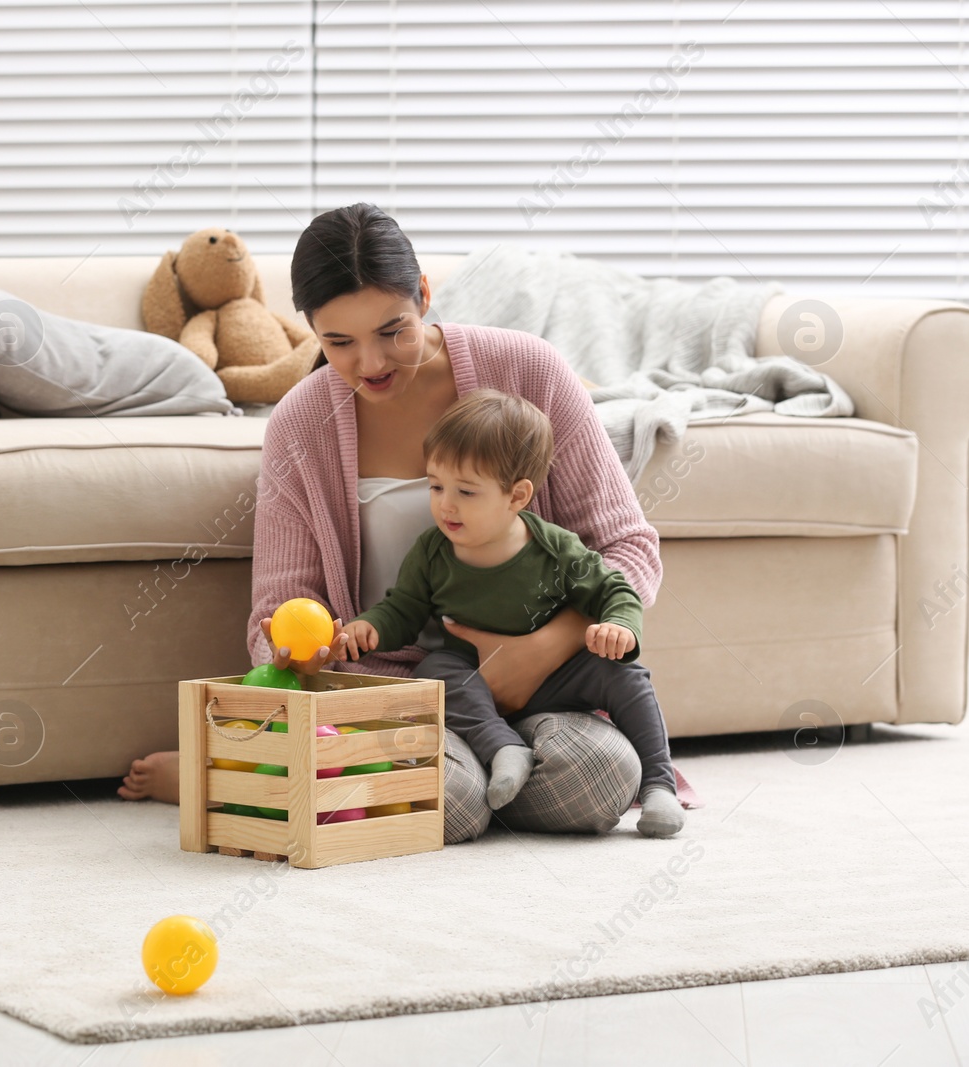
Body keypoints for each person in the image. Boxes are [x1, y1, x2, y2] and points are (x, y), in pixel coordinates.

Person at [119, 202, 664, 840]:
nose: (372, 364)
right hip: (399, 692)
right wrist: (304, 644)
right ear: (310, 329)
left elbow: (625, 547)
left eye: (392, 330)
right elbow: (279, 604)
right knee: (453, 800)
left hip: (550, 682)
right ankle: (247, 774)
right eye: (339, 342)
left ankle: (281, 778)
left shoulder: (529, 371)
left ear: (425, 294)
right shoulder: (301, 424)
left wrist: (543, 648)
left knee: (601, 777)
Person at [343, 388, 684, 837]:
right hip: (475, 674)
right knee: (438, 670)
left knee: (627, 675)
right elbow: (403, 608)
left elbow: (614, 589)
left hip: (557, 677)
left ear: (517, 496)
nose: (445, 505)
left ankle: (659, 785)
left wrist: (620, 625)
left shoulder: (556, 548)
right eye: (436, 485)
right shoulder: (432, 551)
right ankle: (503, 748)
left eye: (466, 491)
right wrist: (368, 628)